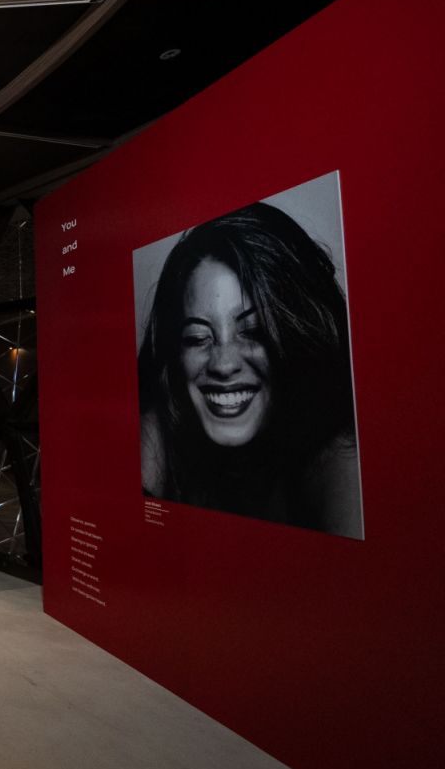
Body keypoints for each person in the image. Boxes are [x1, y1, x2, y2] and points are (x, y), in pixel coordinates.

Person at [138, 202, 361, 537]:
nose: (224, 364)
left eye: (254, 331)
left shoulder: (340, 459)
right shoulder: (169, 416)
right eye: (197, 338)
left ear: (300, 337)